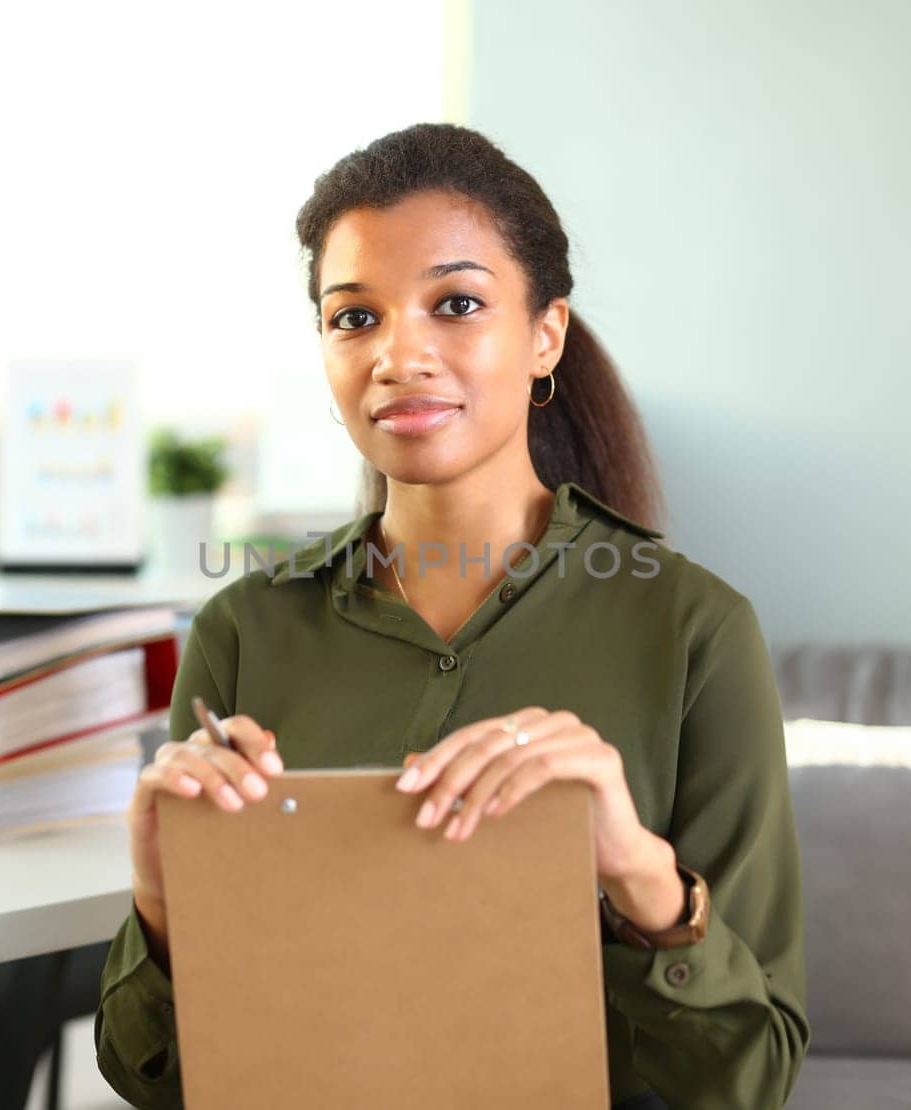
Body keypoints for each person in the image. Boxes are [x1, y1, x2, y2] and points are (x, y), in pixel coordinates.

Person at [94, 122, 810, 1110]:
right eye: (354, 319)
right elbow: (151, 1079)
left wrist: (637, 873)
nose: (399, 355)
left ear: (544, 334)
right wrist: (164, 897)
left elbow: (751, 1080)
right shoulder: (242, 633)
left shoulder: (694, 631)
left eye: (457, 304)